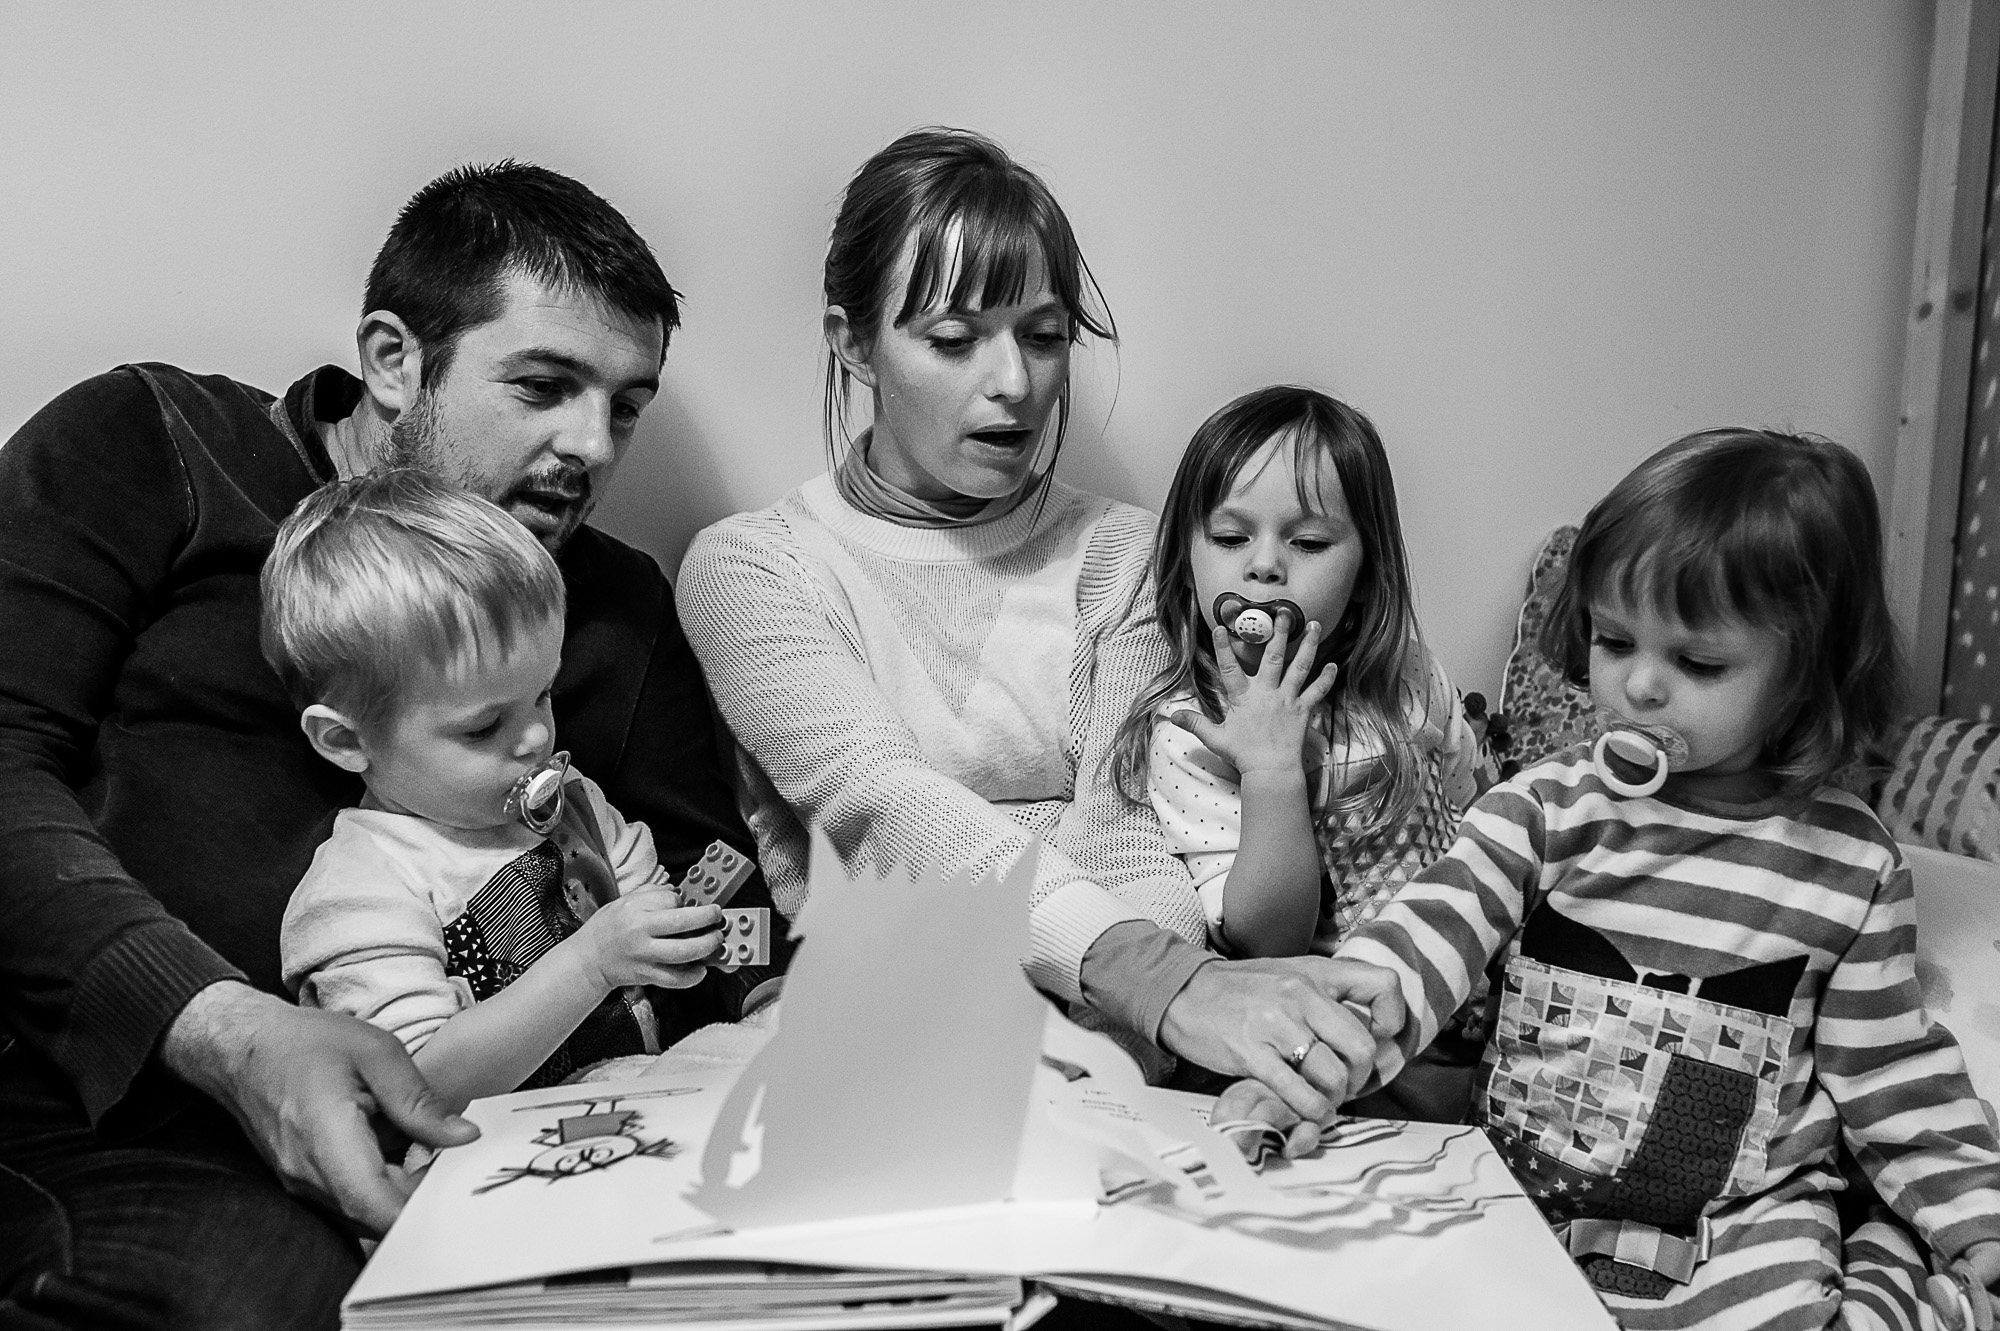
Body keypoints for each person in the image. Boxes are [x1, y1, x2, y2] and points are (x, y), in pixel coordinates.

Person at [0, 162, 781, 1330]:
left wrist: (765, 995)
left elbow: (709, 884)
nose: (590, 445)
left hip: (501, 1125)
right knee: (262, 1295)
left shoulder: (606, 605)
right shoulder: (160, 443)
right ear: (392, 357)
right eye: (543, 383)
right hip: (103, 1101)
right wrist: (216, 1027)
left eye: (625, 404)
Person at [675, 127, 1400, 1134]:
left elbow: (1127, 832)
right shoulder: (754, 567)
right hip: (873, 1014)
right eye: (953, 336)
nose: (1012, 381)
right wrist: (1163, 984)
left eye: (1044, 333)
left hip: (1107, 1042)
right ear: (852, 342)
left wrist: (1138, 1037)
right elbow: (880, 802)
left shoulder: (1124, 555)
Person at [1309, 429, 2000, 1327]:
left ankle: (1901, 1280)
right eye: (1613, 639)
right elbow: (1432, 924)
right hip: (1525, 1181)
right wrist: (1332, 1038)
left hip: (1742, 1217)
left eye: (1698, 663)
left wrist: (1977, 1224)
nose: (1638, 685)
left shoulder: (1854, 864)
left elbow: (1891, 1070)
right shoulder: (1551, 806)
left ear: (1806, 676)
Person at [270, 471, 738, 1112]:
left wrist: (682, 937)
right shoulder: (363, 885)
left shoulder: (572, 800)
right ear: (348, 743)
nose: (536, 738)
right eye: (484, 726)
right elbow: (415, 1089)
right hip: (488, 1156)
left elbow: (649, 907)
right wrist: (592, 963)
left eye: (544, 694)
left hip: (641, 1098)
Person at [1112, 386, 1481, 1119]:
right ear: (1187, 561)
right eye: (1229, 538)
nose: (1265, 567)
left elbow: (1475, 821)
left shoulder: (1408, 675)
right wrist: (1271, 769)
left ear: (1367, 567)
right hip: (1324, 1036)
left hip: (1458, 1010)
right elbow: (1263, 937)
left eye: (1308, 543)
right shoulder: (1195, 728)